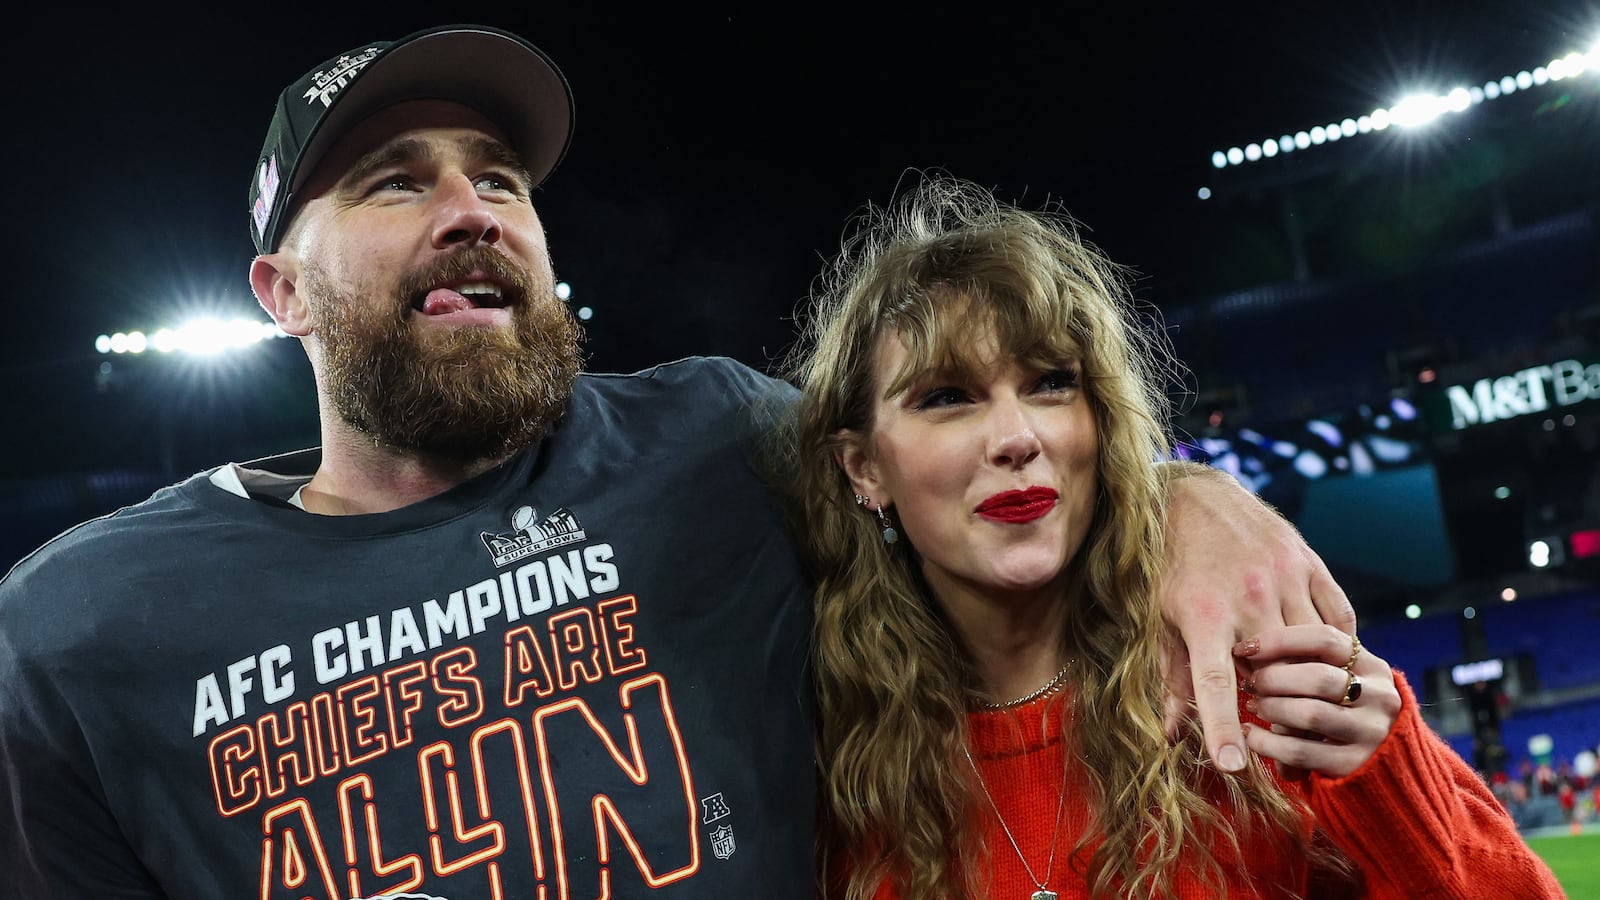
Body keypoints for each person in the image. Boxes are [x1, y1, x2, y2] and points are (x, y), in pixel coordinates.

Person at [1, 24, 1349, 900]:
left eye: (502, 179)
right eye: (395, 180)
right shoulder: (81, 631)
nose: (472, 207)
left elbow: (974, 461)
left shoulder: (718, 441)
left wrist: (1188, 494)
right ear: (279, 290)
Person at [784, 175, 1564, 898]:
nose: (1017, 437)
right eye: (948, 396)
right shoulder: (815, 767)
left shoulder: (1249, 682)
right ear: (863, 468)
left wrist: (1387, 778)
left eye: (1051, 382)